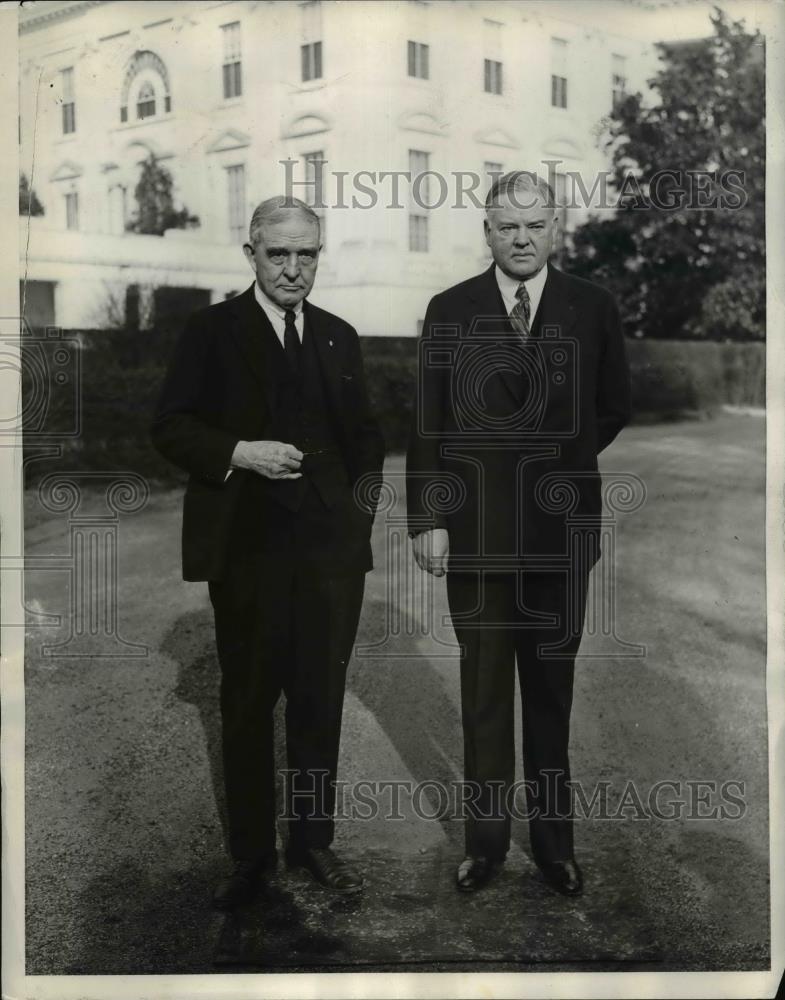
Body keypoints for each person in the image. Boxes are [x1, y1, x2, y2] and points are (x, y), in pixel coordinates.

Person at [152, 196, 385, 909]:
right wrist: (238, 452)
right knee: (249, 702)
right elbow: (169, 426)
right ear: (250, 254)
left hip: (328, 559)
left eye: (305, 253)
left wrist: (353, 528)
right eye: (278, 253)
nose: (292, 268)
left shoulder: (340, 337)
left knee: (318, 702)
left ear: (319, 255)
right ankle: (252, 856)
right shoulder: (210, 330)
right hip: (246, 551)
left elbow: (366, 444)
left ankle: (313, 843)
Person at [406, 171, 630, 897]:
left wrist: (551, 460)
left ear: (554, 226)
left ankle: (555, 846)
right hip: (474, 537)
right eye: (508, 226)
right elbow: (428, 423)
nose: (522, 238)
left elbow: (612, 406)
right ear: (487, 230)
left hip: (558, 535)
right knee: (481, 698)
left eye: (536, 225)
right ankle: (485, 847)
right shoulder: (449, 310)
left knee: (549, 696)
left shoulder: (591, 307)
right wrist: (430, 518)